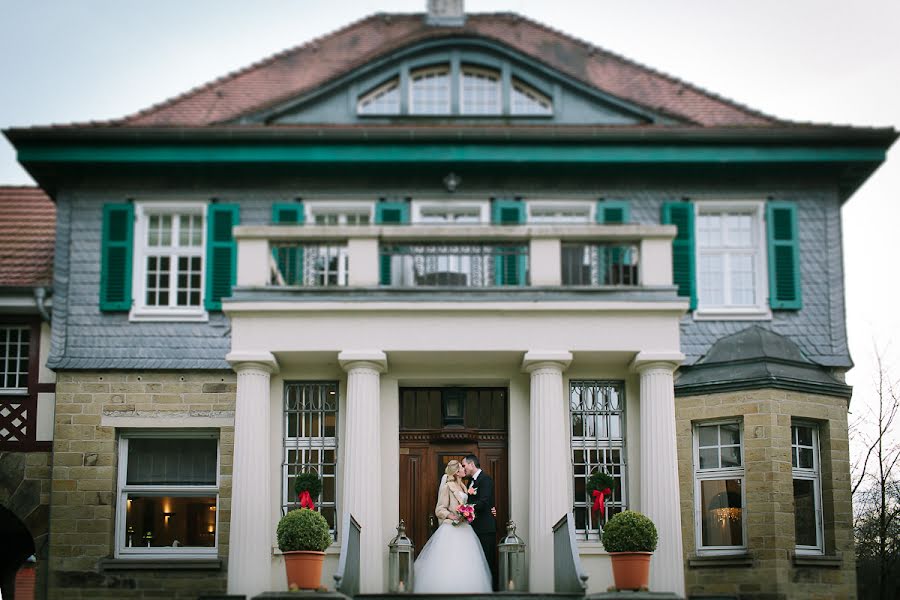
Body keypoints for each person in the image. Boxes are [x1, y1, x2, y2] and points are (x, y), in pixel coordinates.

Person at [412, 460, 492, 593]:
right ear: (456, 472)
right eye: (461, 467)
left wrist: (468, 513)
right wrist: (450, 516)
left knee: (467, 562)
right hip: (451, 529)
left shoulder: (464, 487)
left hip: (465, 528)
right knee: (450, 561)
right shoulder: (448, 487)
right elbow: (439, 509)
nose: (463, 469)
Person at [462, 454, 498, 591]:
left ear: (472, 465)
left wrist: (466, 509)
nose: (464, 469)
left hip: (485, 528)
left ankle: (490, 592)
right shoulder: (470, 481)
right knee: (477, 562)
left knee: (487, 561)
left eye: (464, 465)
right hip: (473, 528)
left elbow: (484, 501)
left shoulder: (486, 479)